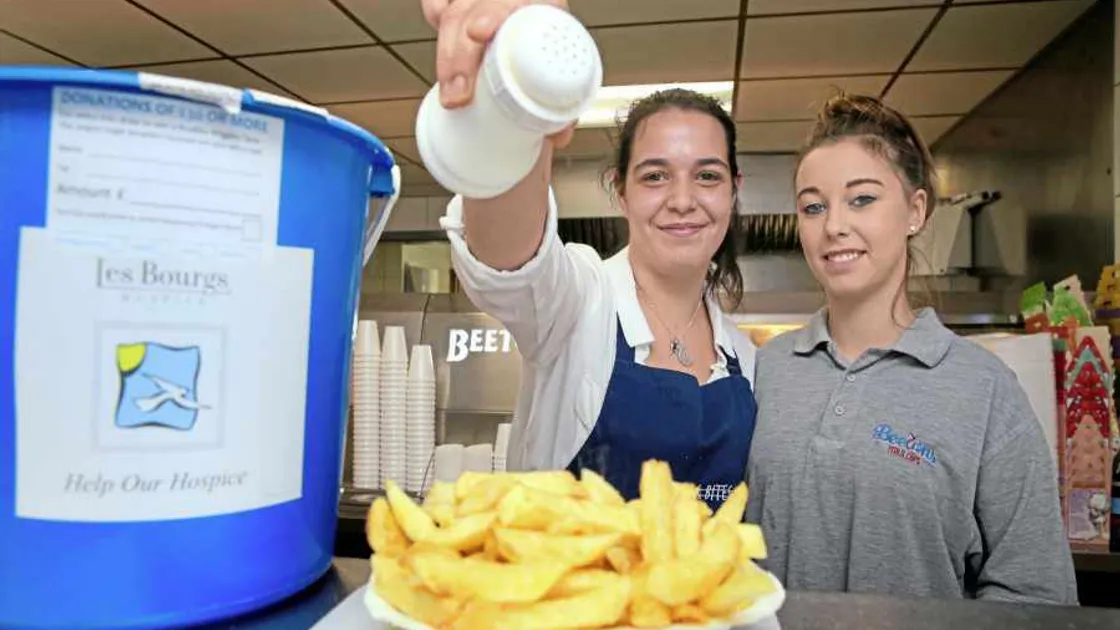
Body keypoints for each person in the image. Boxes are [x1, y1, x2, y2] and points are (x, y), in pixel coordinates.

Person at [421, 0, 758, 510]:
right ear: (620, 191)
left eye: (707, 175)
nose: (683, 200)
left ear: (733, 191)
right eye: (655, 175)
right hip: (566, 589)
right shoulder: (579, 299)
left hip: (706, 593)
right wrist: (512, 107)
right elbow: (509, 264)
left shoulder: (746, 360)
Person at [744, 93, 1078, 604]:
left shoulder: (983, 390)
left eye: (862, 199)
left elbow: (1035, 591)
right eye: (814, 206)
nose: (834, 225)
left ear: (915, 211)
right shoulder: (762, 371)